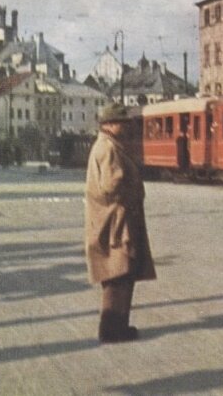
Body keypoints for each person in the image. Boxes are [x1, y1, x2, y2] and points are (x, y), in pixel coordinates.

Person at [84, 103, 156, 343]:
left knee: (121, 273)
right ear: (109, 124)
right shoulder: (108, 148)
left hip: (115, 220)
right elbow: (111, 184)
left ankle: (118, 327)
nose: (125, 127)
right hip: (115, 223)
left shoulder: (108, 145)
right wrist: (128, 183)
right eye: (121, 123)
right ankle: (113, 330)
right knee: (118, 274)